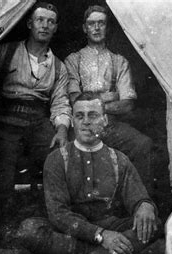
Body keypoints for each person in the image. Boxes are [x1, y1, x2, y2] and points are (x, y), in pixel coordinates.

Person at [16, 92, 161, 254]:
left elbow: (138, 197)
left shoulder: (119, 159)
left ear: (105, 120)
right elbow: (58, 214)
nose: (85, 122)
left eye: (93, 115)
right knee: (29, 230)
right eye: (79, 116)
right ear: (73, 122)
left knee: (153, 224)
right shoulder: (57, 159)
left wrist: (145, 205)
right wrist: (102, 236)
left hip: (108, 223)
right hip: (71, 229)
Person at [0, 2, 71, 215]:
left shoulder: (58, 66)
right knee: (4, 168)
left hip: (37, 122)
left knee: (56, 159)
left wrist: (62, 129)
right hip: (4, 121)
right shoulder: (5, 51)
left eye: (50, 22)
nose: (45, 25)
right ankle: (1, 227)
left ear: (56, 27)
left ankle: (52, 217)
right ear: (30, 23)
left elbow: (60, 102)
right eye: (40, 20)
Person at [64, 5, 154, 194]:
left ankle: (140, 202)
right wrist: (109, 99)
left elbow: (127, 104)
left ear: (107, 27)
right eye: (91, 24)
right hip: (84, 125)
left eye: (101, 23)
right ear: (84, 28)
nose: (96, 28)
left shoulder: (119, 61)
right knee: (73, 155)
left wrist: (94, 102)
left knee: (142, 144)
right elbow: (74, 99)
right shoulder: (73, 60)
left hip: (111, 125)